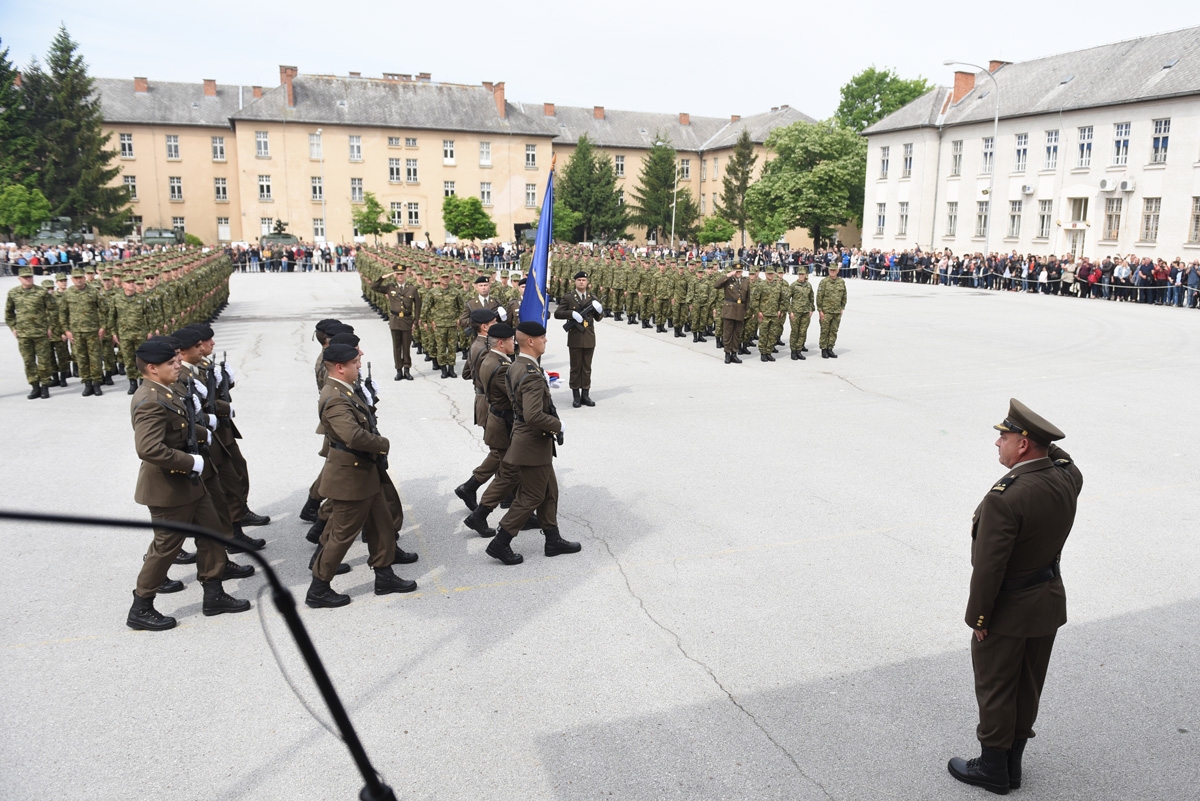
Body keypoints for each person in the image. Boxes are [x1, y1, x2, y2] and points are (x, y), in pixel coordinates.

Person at [947, 399, 1084, 795]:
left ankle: (992, 769)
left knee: (996, 686)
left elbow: (989, 568)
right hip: (1046, 601)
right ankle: (1013, 764)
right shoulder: (1066, 478)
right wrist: (1044, 442)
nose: (997, 444)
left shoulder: (1004, 498)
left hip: (1007, 610)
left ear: (1023, 445)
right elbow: (1064, 457)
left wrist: (979, 619)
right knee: (1027, 683)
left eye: (1004, 437)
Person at [125, 339, 253, 631]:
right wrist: (189, 461)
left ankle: (213, 592)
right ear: (152, 369)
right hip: (169, 489)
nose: (178, 364)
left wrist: (202, 432)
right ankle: (141, 606)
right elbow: (149, 449)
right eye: (171, 363)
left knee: (212, 533)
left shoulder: (164, 392)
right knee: (165, 549)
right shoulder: (149, 400)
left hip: (189, 485)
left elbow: (179, 425)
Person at [306, 342, 416, 607]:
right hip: (350, 477)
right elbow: (352, 436)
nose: (360, 364)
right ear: (340, 367)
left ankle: (384, 574)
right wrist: (383, 443)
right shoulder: (334, 397)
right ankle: (319, 588)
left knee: (381, 524)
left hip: (365, 472)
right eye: (355, 362)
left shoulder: (346, 390)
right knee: (342, 535)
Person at [486, 321, 580, 565]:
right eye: (543, 338)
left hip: (529, 441)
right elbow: (533, 415)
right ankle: (501, 542)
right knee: (532, 497)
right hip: (532, 444)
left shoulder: (518, 365)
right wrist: (559, 425)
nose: (546, 341)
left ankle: (553, 539)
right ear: (531, 341)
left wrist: (544, 383)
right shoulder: (530, 374)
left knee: (550, 491)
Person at [553, 270, 602, 407]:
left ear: (587, 282)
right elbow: (557, 313)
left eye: (584, 280)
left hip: (589, 337)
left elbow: (598, 318)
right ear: (575, 282)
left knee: (587, 367)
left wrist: (599, 310)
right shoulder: (569, 297)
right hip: (575, 336)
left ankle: (585, 395)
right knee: (575, 367)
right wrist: (572, 313)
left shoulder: (593, 298)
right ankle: (576, 395)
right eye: (579, 280)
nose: (581, 282)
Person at [5, 266, 55, 399]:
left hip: (40, 332)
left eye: (30, 276)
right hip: (23, 334)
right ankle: (34, 386)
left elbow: (52, 310)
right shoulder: (13, 293)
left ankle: (45, 386)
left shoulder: (42, 292)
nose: (28, 279)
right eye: (25, 277)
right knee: (28, 361)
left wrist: (50, 327)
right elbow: (9, 313)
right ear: (19, 278)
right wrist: (13, 328)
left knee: (44, 360)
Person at [369, 265, 421, 381]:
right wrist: (384, 277)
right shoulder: (390, 287)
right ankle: (398, 370)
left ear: (405, 274)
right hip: (395, 320)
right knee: (397, 347)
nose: (400, 276)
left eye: (402, 274)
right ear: (395, 275)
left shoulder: (412, 288)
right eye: (397, 274)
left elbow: (418, 306)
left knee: (406, 347)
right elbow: (374, 286)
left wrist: (415, 321)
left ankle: (407, 369)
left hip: (407, 320)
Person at [61, 268, 106, 396]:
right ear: (72, 279)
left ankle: (96, 383)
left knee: (95, 358)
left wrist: (103, 327)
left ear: (85, 278)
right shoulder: (68, 293)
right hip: (76, 332)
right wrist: (66, 330)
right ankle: (87, 383)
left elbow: (103, 310)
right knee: (81, 358)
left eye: (80, 277)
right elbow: (63, 313)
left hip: (93, 331)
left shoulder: (93, 292)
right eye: (76, 278)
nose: (78, 280)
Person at [713, 261, 751, 364]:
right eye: (736, 271)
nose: (738, 273)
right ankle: (727, 354)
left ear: (742, 271)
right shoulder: (728, 280)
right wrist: (727, 275)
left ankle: (734, 353)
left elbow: (748, 298)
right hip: (729, 309)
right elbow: (716, 285)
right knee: (728, 333)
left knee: (737, 333)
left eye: (739, 271)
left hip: (740, 310)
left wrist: (746, 310)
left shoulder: (746, 281)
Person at [816, 263, 847, 358]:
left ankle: (830, 348)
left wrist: (842, 308)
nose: (832, 272)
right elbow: (819, 297)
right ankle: (824, 349)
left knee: (833, 330)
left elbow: (844, 296)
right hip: (826, 311)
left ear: (837, 271)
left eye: (834, 270)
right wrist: (820, 310)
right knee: (825, 330)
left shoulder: (841, 282)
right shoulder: (824, 282)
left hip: (837, 311)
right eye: (831, 270)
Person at [786, 267, 815, 360]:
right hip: (795, 312)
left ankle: (799, 350)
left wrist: (811, 309)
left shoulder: (809, 285)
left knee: (802, 332)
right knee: (795, 332)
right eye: (800, 274)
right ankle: (793, 351)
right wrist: (790, 312)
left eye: (803, 274)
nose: (801, 276)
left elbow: (811, 298)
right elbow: (786, 299)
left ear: (806, 275)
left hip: (805, 312)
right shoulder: (793, 285)